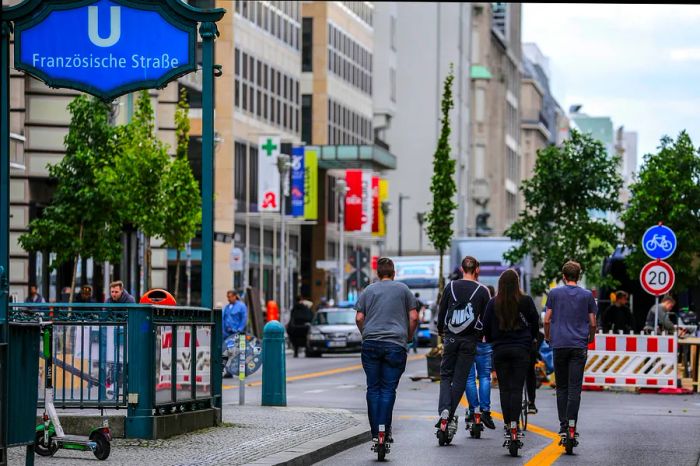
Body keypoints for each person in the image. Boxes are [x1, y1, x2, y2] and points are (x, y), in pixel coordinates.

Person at [355, 257, 418, 446]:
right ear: (394, 273)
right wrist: (408, 336)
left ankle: (376, 433)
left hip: (371, 343)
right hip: (395, 345)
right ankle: (384, 430)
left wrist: (366, 333)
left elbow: (359, 317)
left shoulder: (368, 290)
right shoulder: (403, 290)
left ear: (377, 273)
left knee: (373, 388)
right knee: (388, 389)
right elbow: (413, 317)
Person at [436, 256, 490, 438]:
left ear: (461, 269)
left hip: (451, 338)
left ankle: (444, 410)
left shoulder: (450, 287)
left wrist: (441, 331)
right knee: (460, 379)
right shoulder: (482, 291)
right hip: (470, 340)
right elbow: (487, 318)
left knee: (445, 376)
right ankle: (449, 415)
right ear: (477, 270)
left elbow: (442, 311)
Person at [482, 269, 539, 436]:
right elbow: (535, 323)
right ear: (517, 283)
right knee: (516, 388)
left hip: (500, 350)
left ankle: (508, 425)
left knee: (505, 389)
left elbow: (485, 327)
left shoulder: (493, 303)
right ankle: (515, 424)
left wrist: (493, 340)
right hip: (521, 350)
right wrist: (531, 339)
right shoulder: (526, 301)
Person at [544, 261, 597, 437]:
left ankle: (563, 425)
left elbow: (546, 319)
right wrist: (590, 338)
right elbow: (593, 323)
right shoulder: (587, 295)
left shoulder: (554, 293)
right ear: (579, 275)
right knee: (575, 387)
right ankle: (573, 424)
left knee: (562, 387)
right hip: (578, 345)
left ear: (563, 276)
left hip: (559, 344)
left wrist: (547, 336)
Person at [465, 285, 496, 430]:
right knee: (484, 377)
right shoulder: (489, 305)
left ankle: (473, 410)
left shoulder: (469, 303)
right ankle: (485, 411)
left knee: (470, 378)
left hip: (468, 342)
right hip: (484, 343)